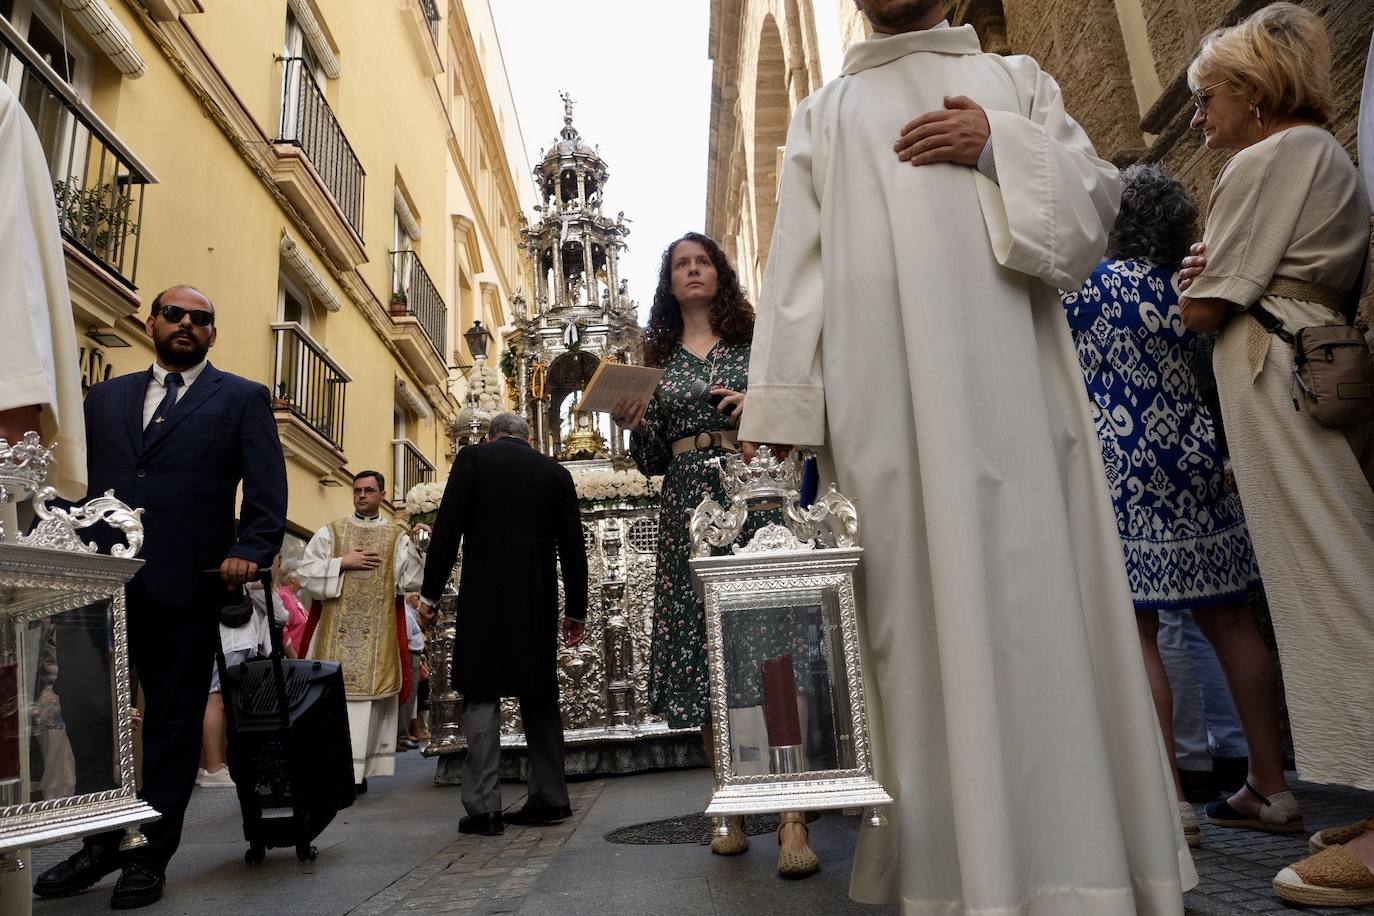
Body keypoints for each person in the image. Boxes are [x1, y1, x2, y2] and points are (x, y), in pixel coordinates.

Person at [737, 1, 1196, 909]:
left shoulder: (1017, 82)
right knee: (915, 629)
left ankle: (1085, 872)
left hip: (1020, 403)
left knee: (1044, 609)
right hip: (888, 419)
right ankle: (952, 878)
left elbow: (1096, 210)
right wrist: (780, 415)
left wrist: (999, 144)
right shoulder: (826, 114)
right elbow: (794, 271)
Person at [1178, 3, 1374, 906]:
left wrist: (1202, 283)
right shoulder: (1311, 154)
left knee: (1328, 577)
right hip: (1293, 353)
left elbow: (1207, 305)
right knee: (1329, 567)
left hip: (1272, 366)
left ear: (1253, 95)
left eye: (1209, 95)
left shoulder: (1272, 155)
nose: (1199, 116)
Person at [34, 285, 288, 909]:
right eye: (174, 314)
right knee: (88, 712)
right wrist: (60, 543)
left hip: (184, 581)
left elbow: (265, 488)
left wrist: (250, 550)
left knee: (173, 722)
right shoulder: (106, 396)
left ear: (212, 334)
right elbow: (74, 477)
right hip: (95, 581)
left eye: (201, 319)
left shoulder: (241, 399)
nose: (186, 325)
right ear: (151, 322)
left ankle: (150, 852)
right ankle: (97, 841)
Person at [1060, 162, 1290, 849]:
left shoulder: (1088, 288)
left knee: (1138, 633)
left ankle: (1170, 804)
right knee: (1232, 620)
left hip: (1120, 470)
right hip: (1197, 462)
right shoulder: (1196, 287)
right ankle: (1274, 789)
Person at [611, 232, 821, 878]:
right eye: (682, 265)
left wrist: (757, 408)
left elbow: (788, 422)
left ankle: (791, 814)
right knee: (703, 654)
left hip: (749, 498)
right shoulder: (657, 361)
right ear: (670, 284)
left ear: (719, 275)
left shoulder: (752, 349)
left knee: (772, 649)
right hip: (683, 510)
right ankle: (728, 803)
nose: (693, 270)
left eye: (702, 262)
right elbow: (649, 464)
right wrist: (636, 427)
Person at [418, 413, 587, 838]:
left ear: (492, 435)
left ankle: (484, 808)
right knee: (540, 694)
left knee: (482, 693)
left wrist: (430, 595)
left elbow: (447, 529)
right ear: (528, 438)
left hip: (484, 596)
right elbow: (573, 546)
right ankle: (551, 797)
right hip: (536, 597)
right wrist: (576, 611)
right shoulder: (555, 472)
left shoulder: (473, 459)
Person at [296, 471, 424, 792]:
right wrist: (342, 562)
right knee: (336, 705)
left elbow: (411, 582)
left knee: (366, 709)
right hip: (335, 636)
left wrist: (421, 549)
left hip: (376, 639)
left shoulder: (397, 536)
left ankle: (357, 772)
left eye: (369, 490)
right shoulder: (332, 532)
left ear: (381, 494)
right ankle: (336, 771)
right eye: (357, 490)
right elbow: (306, 572)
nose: (362, 495)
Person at [196, 576, 282, 788]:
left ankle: (213, 766)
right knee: (216, 698)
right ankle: (213, 768)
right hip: (229, 638)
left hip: (233, 638)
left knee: (219, 700)